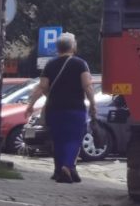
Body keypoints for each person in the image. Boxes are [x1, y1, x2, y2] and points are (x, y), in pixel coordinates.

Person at [25, 33, 96, 184]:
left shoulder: (50, 64)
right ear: (73, 46)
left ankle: (59, 171)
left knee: (58, 139)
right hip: (75, 108)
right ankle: (67, 166)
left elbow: (42, 87)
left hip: (54, 108)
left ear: (58, 48)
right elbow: (87, 86)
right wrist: (93, 105)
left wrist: (30, 105)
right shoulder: (80, 63)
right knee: (74, 138)